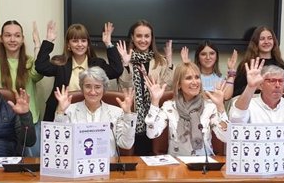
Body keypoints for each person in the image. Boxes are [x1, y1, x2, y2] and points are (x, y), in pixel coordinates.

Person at [0, 18, 44, 156]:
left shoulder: (29, 62)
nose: (12, 39)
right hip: (3, 123)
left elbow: (38, 73)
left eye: (17, 35)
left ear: (22, 39)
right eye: (8, 35)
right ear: (1, 39)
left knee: (33, 166)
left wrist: (37, 44)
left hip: (29, 121)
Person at [35, 22, 123, 121]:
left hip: (88, 117)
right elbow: (40, 67)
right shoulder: (61, 64)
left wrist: (108, 44)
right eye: (75, 41)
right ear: (68, 44)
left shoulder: (97, 64)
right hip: (61, 115)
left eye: (83, 40)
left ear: (88, 44)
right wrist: (49, 41)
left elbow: (117, 70)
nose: (80, 44)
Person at [144, 62, 228, 156]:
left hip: (204, 164)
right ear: (179, 84)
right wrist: (155, 102)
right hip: (176, 165)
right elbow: (151, 133)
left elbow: (226, 137)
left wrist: (220, 106)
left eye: (197, 77)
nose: (195, 82)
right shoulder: (169, 106)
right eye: (189, 78)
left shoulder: (210, 106)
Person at [117, 20, 174, 155]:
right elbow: (124, 86)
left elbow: (169, 86)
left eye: (147, 36)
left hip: (155, 118)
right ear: (132, 37)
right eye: (139, 36)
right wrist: (125, 64)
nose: (143, 40)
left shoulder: (160, 60)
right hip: (132, 116)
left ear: (151, 38)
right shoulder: (124, 59)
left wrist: (170, 61)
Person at [53, 67, 136, 156]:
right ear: (82, 88)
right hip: (77, 164)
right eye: (88, 86)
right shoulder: (69, 110)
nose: (93, 92)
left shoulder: (117, 112)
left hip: (108, 165)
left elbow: (126, 144)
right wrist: (60, 112)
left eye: (97, 87)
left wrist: (128, 114)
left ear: (104, 89)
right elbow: (59, 142)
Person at [232, 26, 284, 98]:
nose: (266, 42)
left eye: (270, 38)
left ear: (274, 41)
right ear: (256, 42)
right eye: (262, 39)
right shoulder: (246, 65)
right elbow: (236, 93)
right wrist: (254, 87)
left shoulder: (281, 66)